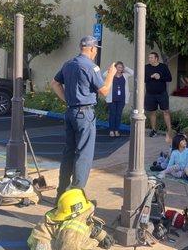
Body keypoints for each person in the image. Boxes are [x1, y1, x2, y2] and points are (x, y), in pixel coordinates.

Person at [51, 36, 117, 201]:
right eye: (96, 50)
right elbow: (104, 91)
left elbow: (54, 83)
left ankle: (62, 194)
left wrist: (68, 100)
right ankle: (76, 196)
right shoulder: (91, 67)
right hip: (84, 114)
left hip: (70, 112)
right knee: (84, 154)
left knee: (68, 152)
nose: (95, 53)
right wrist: (111, 74)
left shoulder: (68, 64)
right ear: (92, 49)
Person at [145, 52, 173, 142]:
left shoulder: (163, 67)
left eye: (151, 57)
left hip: (162, 93)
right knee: (152, 112)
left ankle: (169, 130)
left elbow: (169, 78)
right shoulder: (146, 67)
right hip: (150, 94)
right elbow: (143, 79)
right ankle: (154, 130)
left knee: (166, 111)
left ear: (156, 58)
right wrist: (151, 76)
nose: (149, 59)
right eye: (149, 57)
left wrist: (160, 77)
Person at [103, 61, 134, 138]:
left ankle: (116, 130)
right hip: (112, 98)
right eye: (118, 67)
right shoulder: (111, 75)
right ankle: (111, 131)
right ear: (115, 68)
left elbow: (132, 72)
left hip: (122, 99)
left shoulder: (125, 75)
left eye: (121, 67)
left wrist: (125, 67)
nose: (120, 69)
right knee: (112, 114)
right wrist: (111, 69)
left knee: (118, 115)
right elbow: (104, 75)